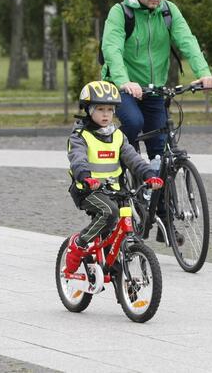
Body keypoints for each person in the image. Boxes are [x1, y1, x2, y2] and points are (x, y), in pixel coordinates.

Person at [101, 0, 212, 161]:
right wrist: (124, 81)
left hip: (154, 89)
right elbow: (112, 49)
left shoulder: (168, 11)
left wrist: (204, 73)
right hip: (123, 87)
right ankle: (123, 161)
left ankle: (158, 190)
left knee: (160, 147)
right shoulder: (120, 12)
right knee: (134, 122)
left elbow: (187, 41)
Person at [64, 80, 163, 274]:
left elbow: (133, 158)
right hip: (88, 190)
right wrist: (85, 176)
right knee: (109, 212)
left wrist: (149, 174)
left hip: (116, 190)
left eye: (110, 109)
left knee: (138, 214)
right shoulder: (80, 135)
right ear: (89, 110)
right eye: (100, 109)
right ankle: (80, 242)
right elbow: (78, 158)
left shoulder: (118, 136)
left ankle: (120, 266)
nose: (106, 114)